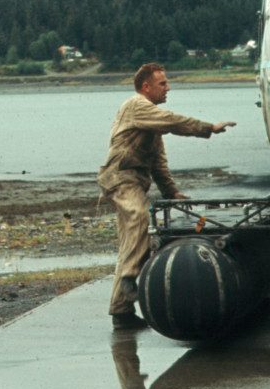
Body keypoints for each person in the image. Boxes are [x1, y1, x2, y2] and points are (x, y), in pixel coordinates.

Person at [97, 63, 235, 329]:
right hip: (120, 179)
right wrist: (209, 127)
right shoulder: (136, 106)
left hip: (134, 181)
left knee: (131, 243)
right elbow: (174, 121)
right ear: (145, 87)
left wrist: (172, 191)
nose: (168, 87)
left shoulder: (151, 122)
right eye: (163, 83)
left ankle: (121, 311)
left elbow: (158, 163)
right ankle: (127, 290)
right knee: (140, 220)